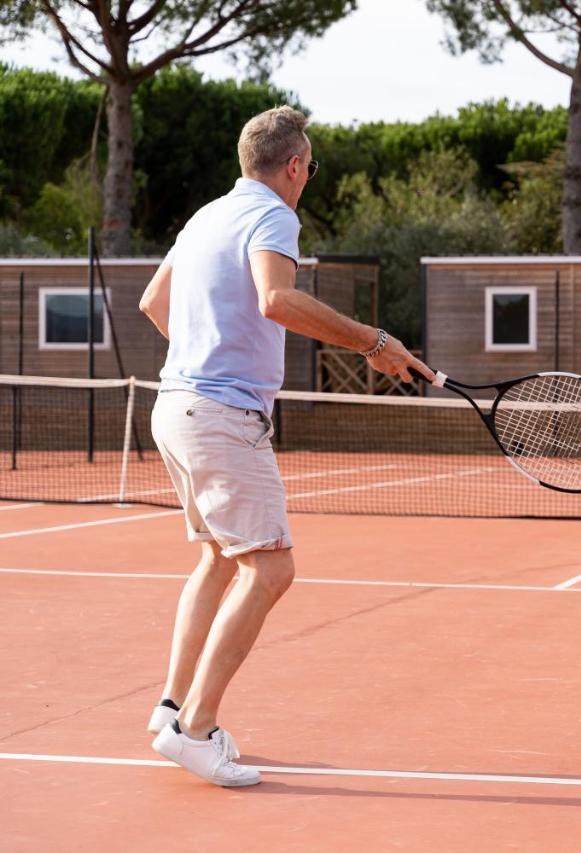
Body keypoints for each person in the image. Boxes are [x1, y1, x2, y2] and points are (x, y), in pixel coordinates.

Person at [137, 106, 432, 787]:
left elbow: (156, 300)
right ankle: (197, 729)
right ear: (294, 166)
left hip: (174, 406)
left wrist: (205, 351)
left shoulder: (206, 215)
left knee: (218, 559)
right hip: (218, 413)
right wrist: (376, 343)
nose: (308, 178)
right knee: (271, 570)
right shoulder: (273, 215)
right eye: (311, 168)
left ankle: (170, 709)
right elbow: (276, 298)